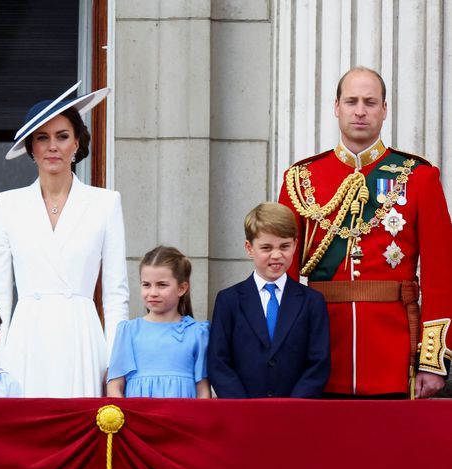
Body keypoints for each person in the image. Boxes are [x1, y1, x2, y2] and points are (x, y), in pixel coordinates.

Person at [278, 66, 452, 398]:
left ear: (384, 109)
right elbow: (282, 272)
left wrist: (431, 360)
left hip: (395, 351)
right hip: (320, 348)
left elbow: (441, 274)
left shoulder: (418, 177)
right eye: (352, 101)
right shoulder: (301, 180)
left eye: (370, 102)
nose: (360, 111)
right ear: (336, 107)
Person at [0, 83, 129, 397]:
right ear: (31, 148)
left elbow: (116, 295)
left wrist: (114, 365)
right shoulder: (8, 204)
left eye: (62, 136)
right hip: (26, 337)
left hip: (81, 336)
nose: (52, 147)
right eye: (42, 137)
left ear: (76, 142)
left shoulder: (105, 203)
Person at [207, 203, 330, 398]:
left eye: (284, 246)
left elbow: (318, 362)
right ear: (249, 248)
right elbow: (218, 361)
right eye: (266, 247)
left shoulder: (311, 301)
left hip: (295, 414)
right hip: (243, 413)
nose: (276, 255)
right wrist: (243, 407)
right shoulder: (228, 300)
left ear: (295, 245)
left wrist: (293, 406)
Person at [107, 246, 209, 398]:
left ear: (182, 288)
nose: (153, 293)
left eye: (162, 285)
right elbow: (115, 387)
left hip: (181, 419)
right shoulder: (128, 330)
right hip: (138, 418)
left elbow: (202, 390)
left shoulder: (197, 332)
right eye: (146, 285)